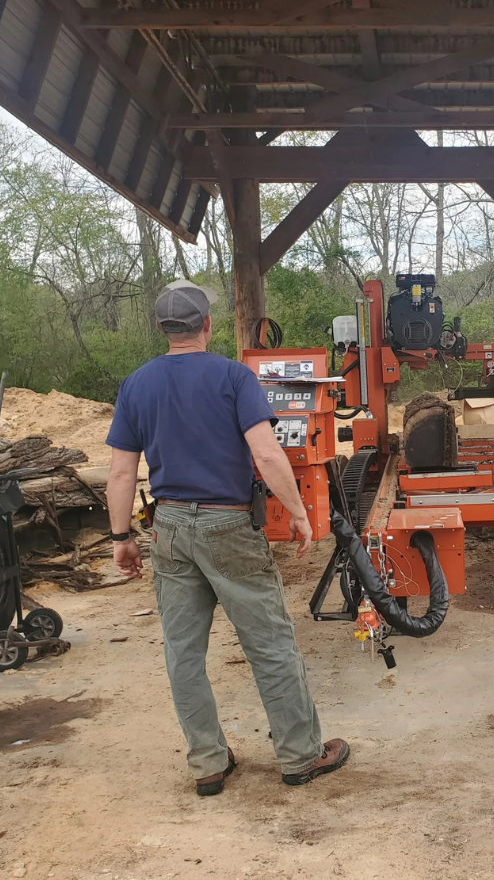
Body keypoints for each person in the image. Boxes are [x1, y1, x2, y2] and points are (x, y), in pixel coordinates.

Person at [104, 279, 348, 796]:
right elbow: (266, 453)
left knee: (183, 653)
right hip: (229, 526)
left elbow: (122, 474)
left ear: (162, 329)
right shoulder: (234, 377)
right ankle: (301, 756)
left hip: (168, 527)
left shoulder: (136, 385)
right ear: (207, 326)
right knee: (271, 645)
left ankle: (208, 764)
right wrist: (300, 514)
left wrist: (120, 536)